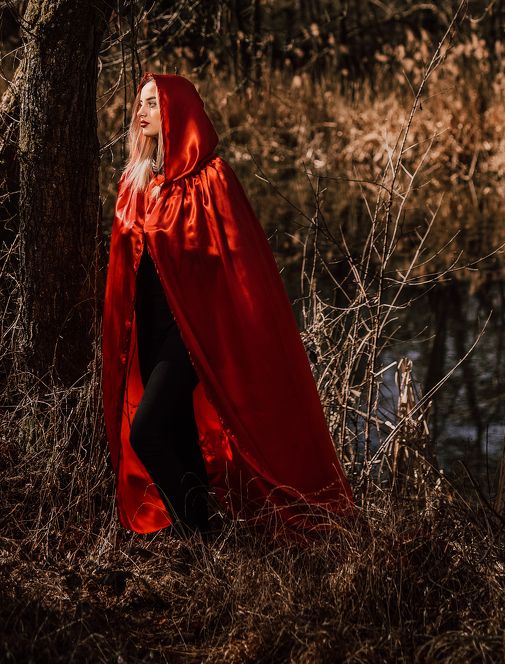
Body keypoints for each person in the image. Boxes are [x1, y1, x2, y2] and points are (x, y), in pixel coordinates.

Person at [101, 71, 355, 540]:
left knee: (148, 432)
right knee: (177, 435)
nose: (141, 111)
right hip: (150, 329)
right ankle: (203, 539)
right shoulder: (134, 182)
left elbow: (238, 264)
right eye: (139, 103)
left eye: (153, 103)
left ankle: (198, 533)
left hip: (194, 332)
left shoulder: (210, 179)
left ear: (178, 110)